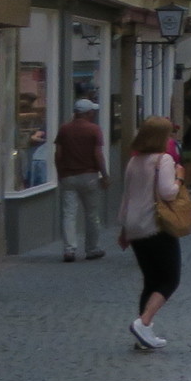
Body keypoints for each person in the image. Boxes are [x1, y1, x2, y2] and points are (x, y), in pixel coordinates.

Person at [117, 117, 184, 351]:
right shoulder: (162, 160)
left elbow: (127, 196)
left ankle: (144, 335)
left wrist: (124, 229)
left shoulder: (134, 161)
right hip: (155, 225)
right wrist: (180, 178)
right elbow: (168, 192)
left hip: (135, 226)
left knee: (150, 280)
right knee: (170, 279)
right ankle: (143, 322)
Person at [53, 98, 107, 263]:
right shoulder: (94, 129)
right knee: (92, 214)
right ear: (88, 113)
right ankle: (92, 248)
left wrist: (60, 173)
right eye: (92, 112)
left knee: (69, 214)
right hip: (89, 175)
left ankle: (69, 250)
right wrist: (104, 175)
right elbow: (98, 154)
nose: (93, 114)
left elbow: (58, 154)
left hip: (68, 176)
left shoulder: (64, 129)